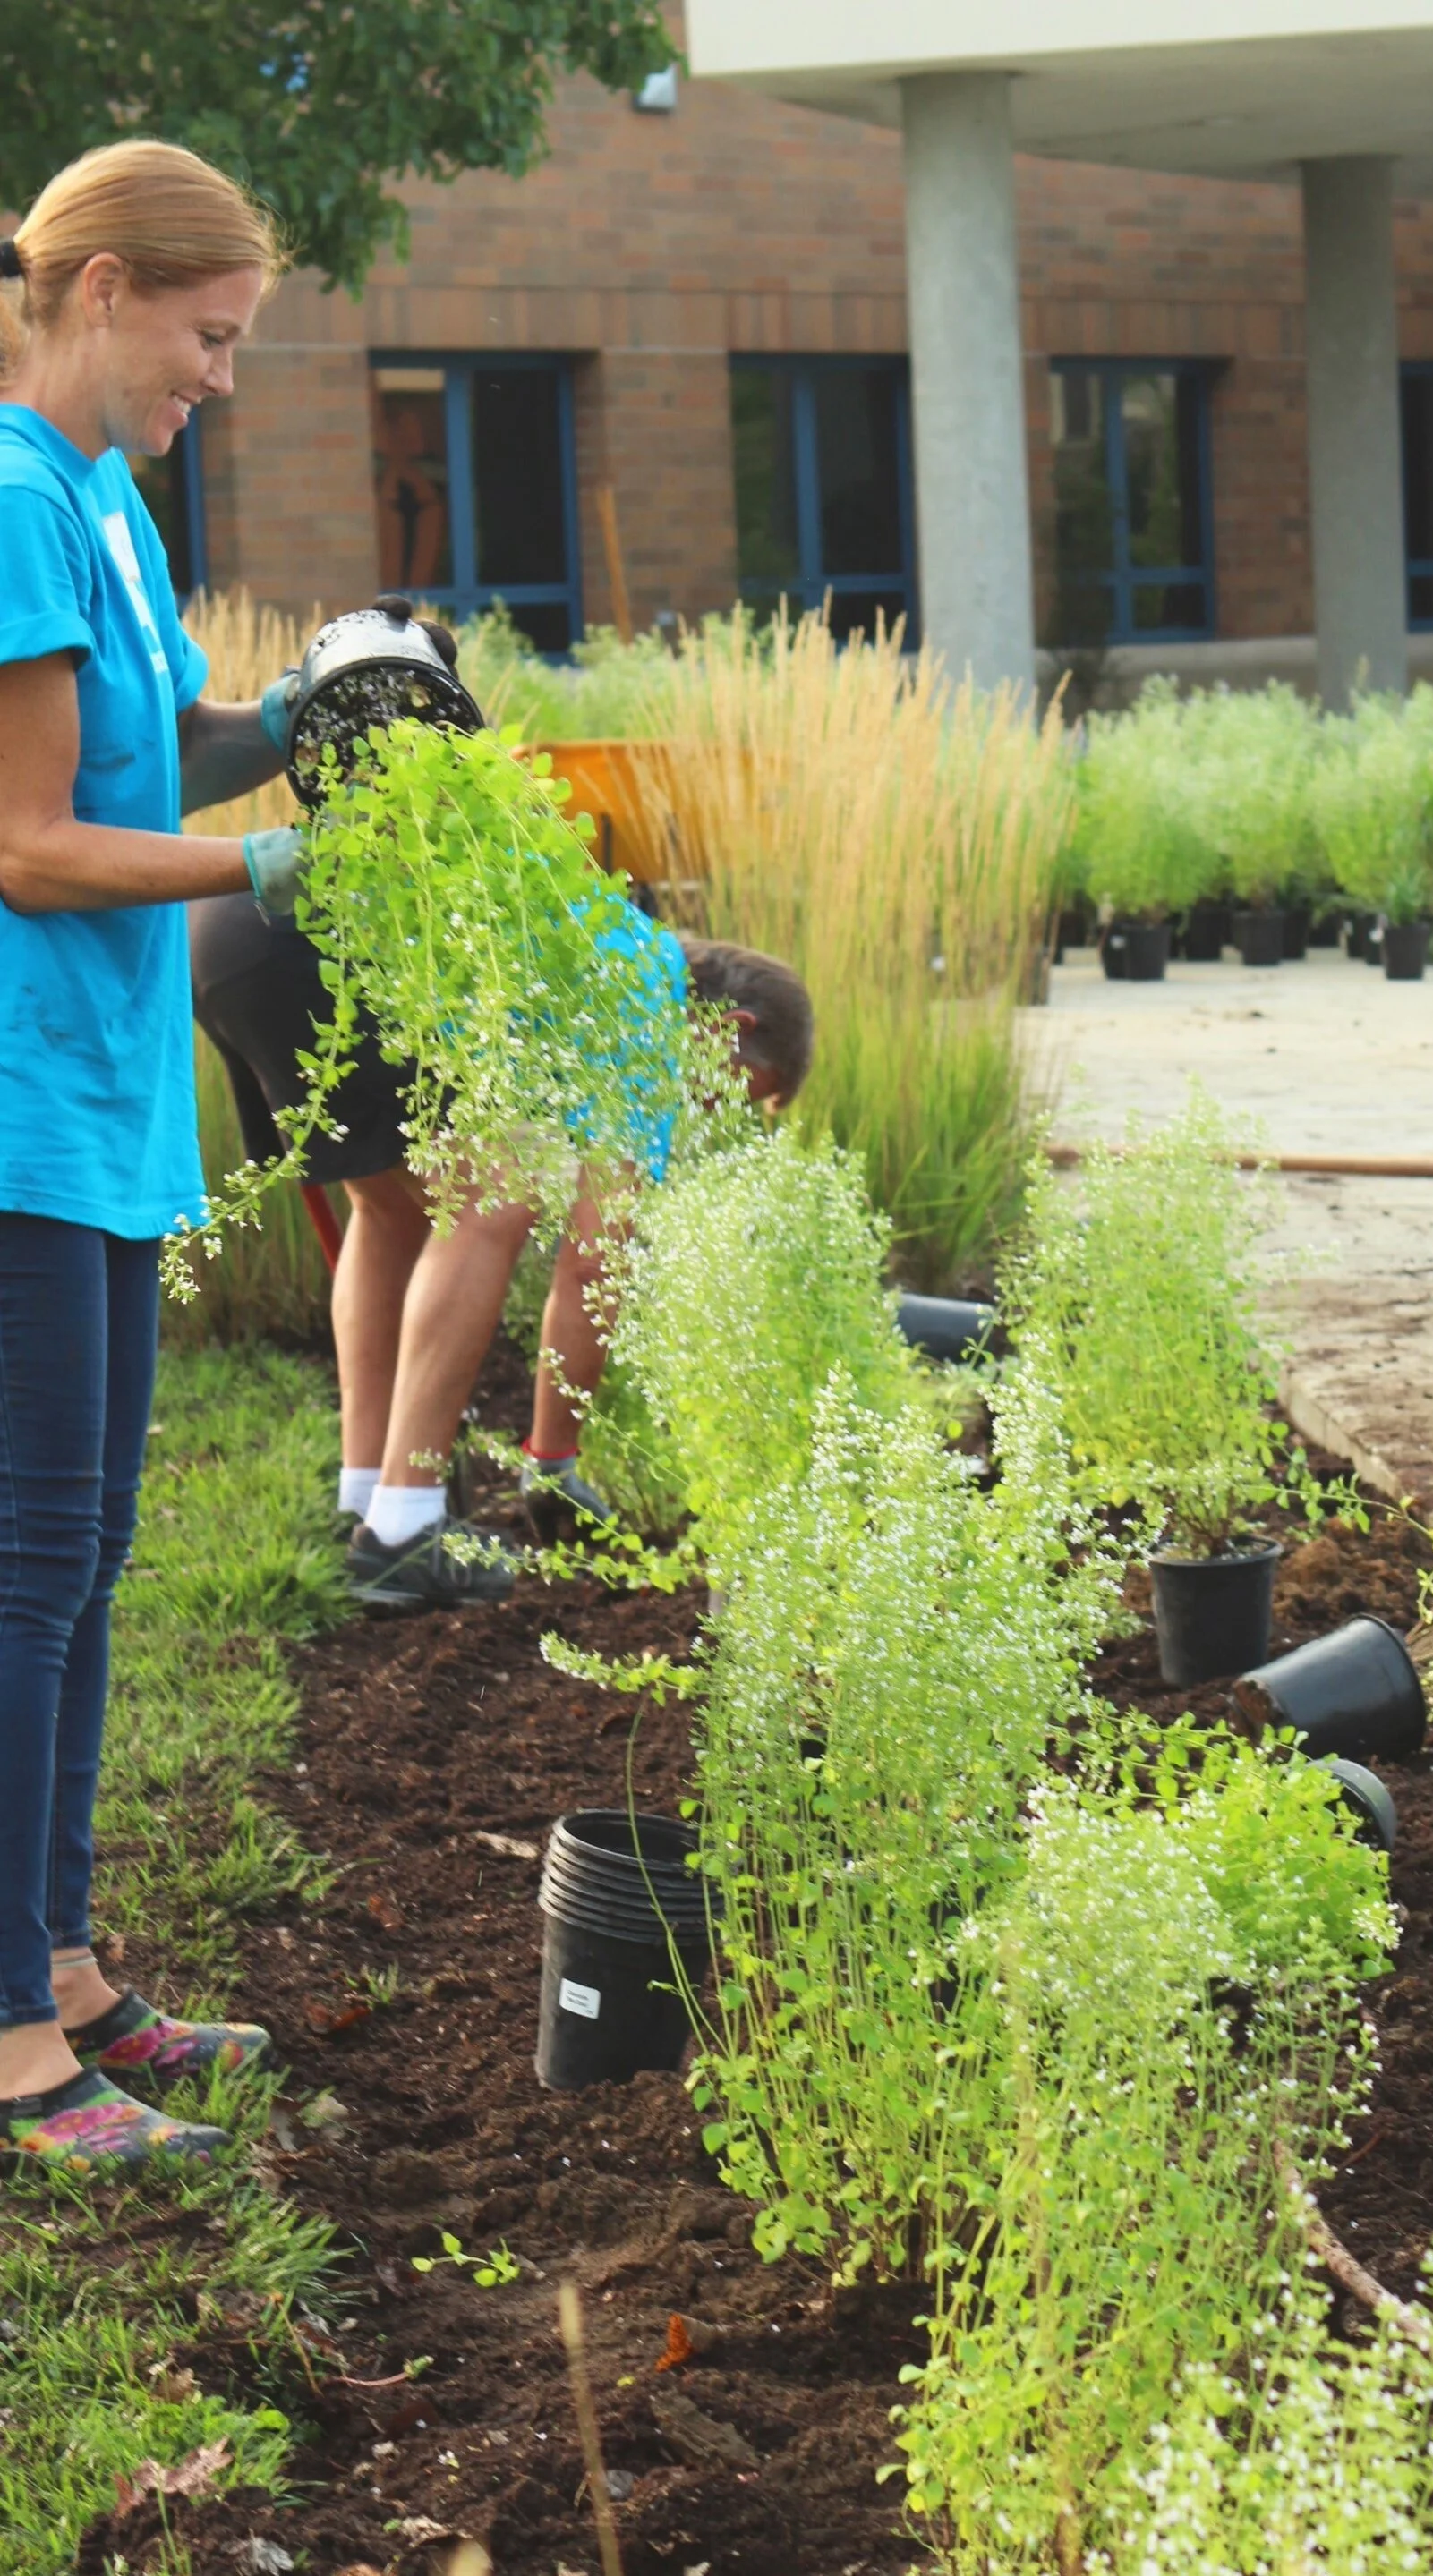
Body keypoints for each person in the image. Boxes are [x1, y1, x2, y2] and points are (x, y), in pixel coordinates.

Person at [0, 139, 316, 2172]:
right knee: (26, 1566)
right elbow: (24, 842)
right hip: (18, 1105)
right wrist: (273, 858)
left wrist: (310, 707)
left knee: (95, 1547)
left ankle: (68, 1952)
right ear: (102, 289)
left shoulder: (107, 500)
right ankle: (12, 2037)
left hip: (107, 1095)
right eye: (207, 341)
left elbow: (152, 741)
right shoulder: (17, 501)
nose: (220, 382)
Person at [196, 824, 815, 1608]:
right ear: (732, 1031)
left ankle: (367, 1498)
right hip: (327, 936)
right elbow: (596, 1261)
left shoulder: (603, 934)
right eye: (733, 1091)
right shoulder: (646, 1001)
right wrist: (553, 1458)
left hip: (237, 922)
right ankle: (402, 1533)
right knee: (503, 1185)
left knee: (387, 1212)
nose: (705, 1108)